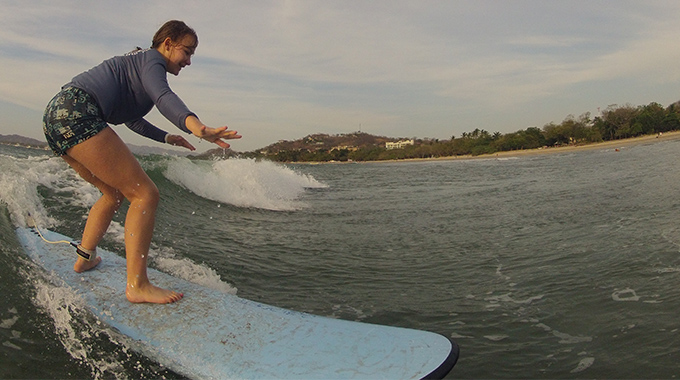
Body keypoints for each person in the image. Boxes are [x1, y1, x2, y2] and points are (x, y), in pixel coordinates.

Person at [42, 20, 241, 304]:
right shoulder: (152, 61)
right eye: (187, 51)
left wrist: (167, 137)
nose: (189, 61)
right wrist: (196, 126)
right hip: (79, 111)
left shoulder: (136, 67)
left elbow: (130, 118)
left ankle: (84, 258)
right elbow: (163, 97)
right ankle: (138, 285)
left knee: (112, 193)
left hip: (57, 114)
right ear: (168, 43)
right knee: (145, 194)